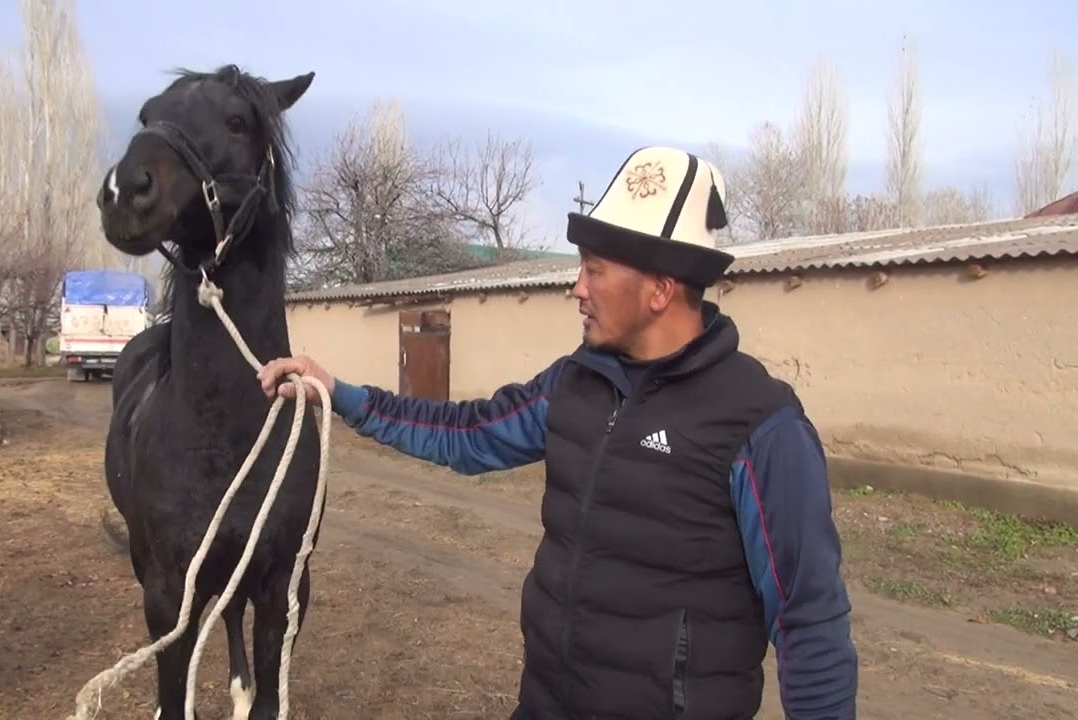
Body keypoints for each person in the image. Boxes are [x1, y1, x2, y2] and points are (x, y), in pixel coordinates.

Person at [258, 146, 858, 720]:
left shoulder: (759, 425)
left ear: (660, 289)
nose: (578, 288)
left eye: (595, 270)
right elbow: (469, 433)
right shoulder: (575, 383)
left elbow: (809, 620)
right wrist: (341, 393)